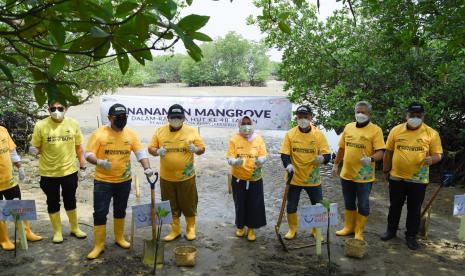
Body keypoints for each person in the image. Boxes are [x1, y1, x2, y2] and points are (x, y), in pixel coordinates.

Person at [85, 103, 154, 259]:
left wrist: (147, 169)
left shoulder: (131, 134)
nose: (122, 120)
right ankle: (99, 245)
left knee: (120, 210)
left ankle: (119, 238)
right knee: (100, 212)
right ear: (110, 118)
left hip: (124, 181)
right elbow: (88, 154)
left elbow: (140, 153)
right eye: (118, 117)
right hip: (103, 181)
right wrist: (99, 162)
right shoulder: (99, 133)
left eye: (124, 117)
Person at [381, 103, 443, 250]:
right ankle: (391, 230)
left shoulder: (431, 133)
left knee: (414, 209)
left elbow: (438, 154)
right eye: (412, 115)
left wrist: (432, 160)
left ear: (423, 116)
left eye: (418, 115)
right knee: (395, 206)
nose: (415, 118)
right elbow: (388, 152)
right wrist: (385, 170)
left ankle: (411, 236)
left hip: (418, 179)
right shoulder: (396, 130)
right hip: (396, 177)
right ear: (406, 115)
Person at [30, 100, 87, 244]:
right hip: (48, 173)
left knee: (70, 199)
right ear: (48, 109)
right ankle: (57, 231)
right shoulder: (41, 125)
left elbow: (79, 148)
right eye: (53, 108)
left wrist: (83, 167)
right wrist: (33, 151)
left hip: (69, 171)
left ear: (66, 108)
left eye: (60, 108)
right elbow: (36, 146)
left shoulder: (73, 124)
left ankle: (75, 228)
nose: (56, 110)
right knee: (52, 202)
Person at [148, 104, 205, 242]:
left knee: (189, 203)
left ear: (184, 118)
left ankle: (191, 229)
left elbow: (202, 148)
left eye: (179, 117)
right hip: (166, 177)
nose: (176, 119)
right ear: (167, 117)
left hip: (186, 177)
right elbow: (151, 148)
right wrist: (157, 152)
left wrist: (196, 150)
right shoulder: (160, 131)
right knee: (169, 204)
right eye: (173, 117)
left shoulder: (191, 131)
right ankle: (175, 230)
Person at [332, 101, 385, 241]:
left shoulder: (376, 130)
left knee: (363, 204)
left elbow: (381, 152)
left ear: (369, 114)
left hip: (364, 176)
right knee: (349, 202)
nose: (360, 114)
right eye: (358, 112)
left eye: (363, 112)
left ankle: (359, 231)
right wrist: (336, 164)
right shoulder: (348, 127)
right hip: (346, 174)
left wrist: (371, 159)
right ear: (354, 112)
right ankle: (348, 227)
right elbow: (342, 148)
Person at [280, 105, 331, 240]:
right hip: (294, 177)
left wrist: (322, 159)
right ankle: (292, 229)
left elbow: (327, 155)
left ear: (311, 117)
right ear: (296, 118)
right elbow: (284, 154)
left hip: (312, 178)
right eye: (300, 117)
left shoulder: (318, 135)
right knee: (291, 205)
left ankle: (315, 231)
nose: (303, 119)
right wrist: (288, 165)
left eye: (305, 116)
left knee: (318, 205)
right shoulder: (290, 134)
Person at [0, 126, 42, 250]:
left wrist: (20, 166)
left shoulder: (2, 130)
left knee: (18, 206)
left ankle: (26, 232)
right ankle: (4, 239)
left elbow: (11, 151)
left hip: (9, 179)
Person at [227, 116, 267, 241]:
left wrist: (262, 160)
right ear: (239, 125)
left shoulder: (258, 139)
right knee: (240, 203)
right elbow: (229, 156)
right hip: (239, 178)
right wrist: (234, 161)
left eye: (248, 123)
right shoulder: (234, 139)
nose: (246, 126)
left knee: (254, 205)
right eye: (243, 123)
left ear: (252, 124)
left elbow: (264, 154)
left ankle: (251, 229)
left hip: (255, 178)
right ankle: (240, 227)